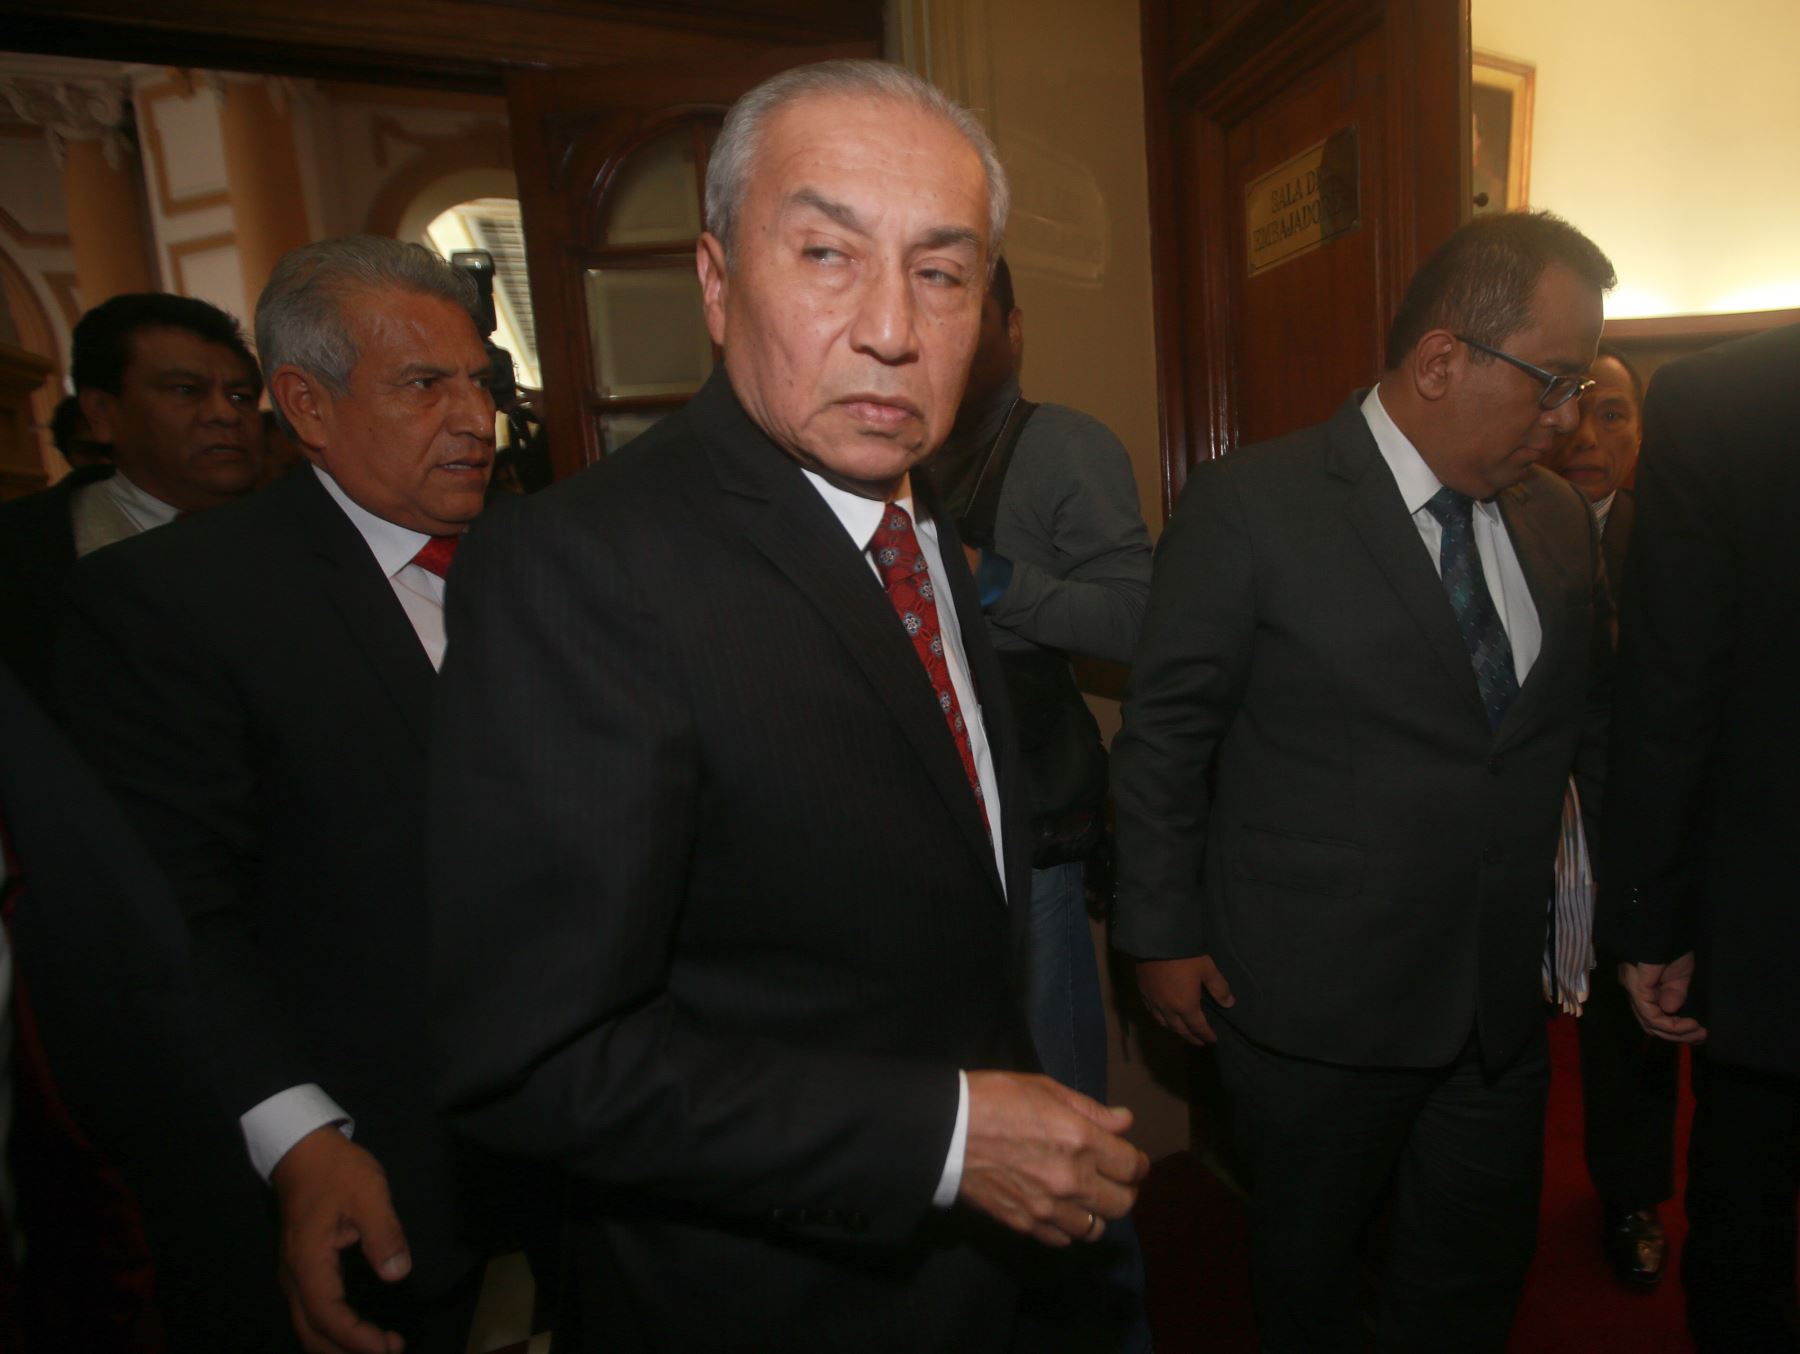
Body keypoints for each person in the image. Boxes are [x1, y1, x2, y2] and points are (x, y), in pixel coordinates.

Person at [429, 59, 1148, 1353]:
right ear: (715, 284)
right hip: (762, 1297)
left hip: (971, 1287)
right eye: (827, 254)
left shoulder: (916, 515)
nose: (893, 328)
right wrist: (947, 1136)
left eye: (942, 271)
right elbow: (536, 1060)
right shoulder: (586, 565)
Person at [1113, 209, 1616, 1352]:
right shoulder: (1252, 505)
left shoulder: (1555, 522)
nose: (1567, 419)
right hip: (1315, 1009)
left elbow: (1575, 726)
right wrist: (1159, 929)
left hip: (1497, 1009)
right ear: (1441, 360)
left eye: (1579, 387)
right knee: (1312, 1278)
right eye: (1551, 382)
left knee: (1474, 1274)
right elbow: (1165, 738)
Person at [55, 236, 543, 1354]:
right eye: (425, 385)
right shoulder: (178, 601)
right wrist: (298, 1134)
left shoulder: (555, 554)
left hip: (597, 1139)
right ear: (307, 405)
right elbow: (176, 912)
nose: (474, 418)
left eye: (481, 382)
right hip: (378, 1154)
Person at [930, 254, 1154, 1348]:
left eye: (966, 307)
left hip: (1034, 849)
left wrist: (993, 579)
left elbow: (1141, 620)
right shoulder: (884, 438)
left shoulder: (1061, 445)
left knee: (1066, 1128)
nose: (944, 332)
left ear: (1012, 327)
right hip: (920, 841)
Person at [1597, 321, 1800, 1353]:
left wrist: (1652, 921)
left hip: (1772, 925)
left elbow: (1673, 691)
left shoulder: (1728, 400)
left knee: (1747, 1233)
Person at [1543, 344, 1679, 1289]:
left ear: (1641, 435)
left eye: (1615, 413)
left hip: (1630, 821)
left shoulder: (1678, 540)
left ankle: (1632, 1197)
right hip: (1522, 823)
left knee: (1630, 1035)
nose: (1589, 435)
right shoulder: (1497, 524)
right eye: (1575, 408)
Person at [0, 293, 264, 708]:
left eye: (240, 396)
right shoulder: (22, 552)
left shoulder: (310, 536)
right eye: (186, 390)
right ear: (102, 413)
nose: (224, 414)